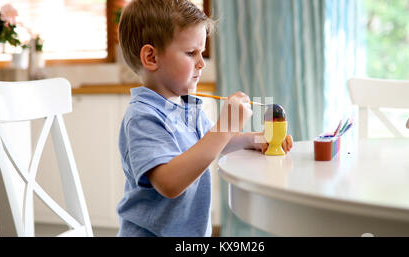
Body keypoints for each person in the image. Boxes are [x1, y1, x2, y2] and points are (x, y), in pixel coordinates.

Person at [116, 0, 293, 237]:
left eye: (201, 52)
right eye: (191, 53)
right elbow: (169, 183)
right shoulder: (143, 116)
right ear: (151, 57)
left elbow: (209, 144)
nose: (201, 63)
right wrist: (225, 126)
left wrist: (253, 139)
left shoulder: (187, 105)